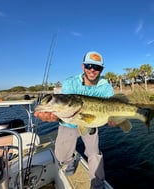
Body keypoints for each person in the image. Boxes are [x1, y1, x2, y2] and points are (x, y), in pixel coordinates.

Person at [34, 51, 115, 189]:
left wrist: (114, 120)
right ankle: (69, 161)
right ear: (83, 66)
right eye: (89, 66)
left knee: (94, 154)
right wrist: (51, 114)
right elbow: (61, 107)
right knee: (61, 154)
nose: (92, 70)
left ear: (101, 70)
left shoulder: (105, 87)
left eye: (97, 67)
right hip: (69, 123)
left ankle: (98, 183)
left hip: (90, 123)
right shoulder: (70, 83)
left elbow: (112, 110)